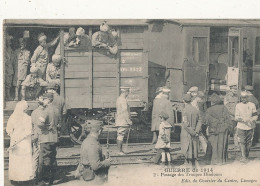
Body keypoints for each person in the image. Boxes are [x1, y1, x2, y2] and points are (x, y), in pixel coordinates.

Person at [6, 100, 34, 185]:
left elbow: (8, 129)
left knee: (15, 159)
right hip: (24, 142)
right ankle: (24, 177)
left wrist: (13, 137)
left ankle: (15, 177)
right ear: (25, 109)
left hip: (14, 140)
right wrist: (21, 137)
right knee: (24, 159)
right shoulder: (27, 118)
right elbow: (28, 131)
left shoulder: (12, 116)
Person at [75, 120, 111, 184]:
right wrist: (107, 162)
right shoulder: (93, 144)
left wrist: (103, 156)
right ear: (99, 131)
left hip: (88, 175)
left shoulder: (87, 140)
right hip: (94, 178)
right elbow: (95, 166)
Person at [37, 92, 59, 185]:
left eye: (44, 99)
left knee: (46, 159)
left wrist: (45, 128)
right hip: (54, 137)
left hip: (46, 138)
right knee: (53, 158)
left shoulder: (45, 110)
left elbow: (40, 123)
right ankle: (52, 179)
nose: (43, 101)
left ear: (48, 100)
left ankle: (45, 181)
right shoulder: (56, 109)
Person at [205, 94, 233, 165]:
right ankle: (222, 161)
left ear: (212, 102)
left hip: (214, 129)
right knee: (222, 144)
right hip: (224, 128)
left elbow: (206, 121)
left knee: (213, 145)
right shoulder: (224, 108)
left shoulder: (209, 110)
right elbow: (228, 119)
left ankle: (213, 161)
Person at [235, 91, 258, 163]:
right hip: (241, 126)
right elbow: (236, 117)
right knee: (242, 142)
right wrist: (242, 120)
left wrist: (253, 120)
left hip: (250, 126)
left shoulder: (252, 105)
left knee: (248, 142)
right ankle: (243, 157)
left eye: (245, 98)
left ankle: (246, 156)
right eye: (242, 98)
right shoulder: (238, 105)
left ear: (248, 98)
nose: (243, 99)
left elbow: (255, 115)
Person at [31, 95, 49, 182]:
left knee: (35, 155)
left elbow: (32, 124)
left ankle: (33, 173)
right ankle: (40, 175)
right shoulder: (43, 113)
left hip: (35, 135)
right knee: (41, 156)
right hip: (41, 136)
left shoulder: (33, 112)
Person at [181, 94, 202, 167]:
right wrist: (196, 131)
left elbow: (185, 124)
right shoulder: (196, 110)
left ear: (184, 101)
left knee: (187, 146)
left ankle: (188, 163)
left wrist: (192, 132)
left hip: (187, 132)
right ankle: (195, 162)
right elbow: (200, 121)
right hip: (195, 131)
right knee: (194, 146)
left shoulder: (184, 111)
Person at [115, 87, 132, 155]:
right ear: (125, 92)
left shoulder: (119, 99)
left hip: (119, 119)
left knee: (119, 135)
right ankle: (119, 151)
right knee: (121, 135)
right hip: (123, 120)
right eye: (128, 92)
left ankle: (120, 151)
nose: (128, 93)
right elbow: (125, 111)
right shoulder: (123, 100)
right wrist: (129, 121)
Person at [4, 34, 15, 100]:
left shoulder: (10, 49)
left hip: (10, 67)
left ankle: (8, 95)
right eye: (8, 41)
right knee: (5, 82)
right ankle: (6, 95)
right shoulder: (4, 49)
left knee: (9, 82)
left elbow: (12, 57)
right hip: (5, 67)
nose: (10, 42)